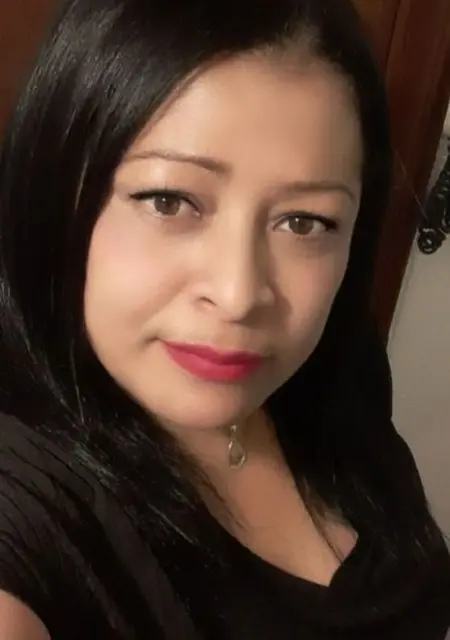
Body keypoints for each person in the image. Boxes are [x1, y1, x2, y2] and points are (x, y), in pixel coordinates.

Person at [0, 0, 448, 637]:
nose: (240, 296)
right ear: (55, 191)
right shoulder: (28, 495)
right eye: (168, 200)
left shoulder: (335, 364)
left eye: (304, 221)